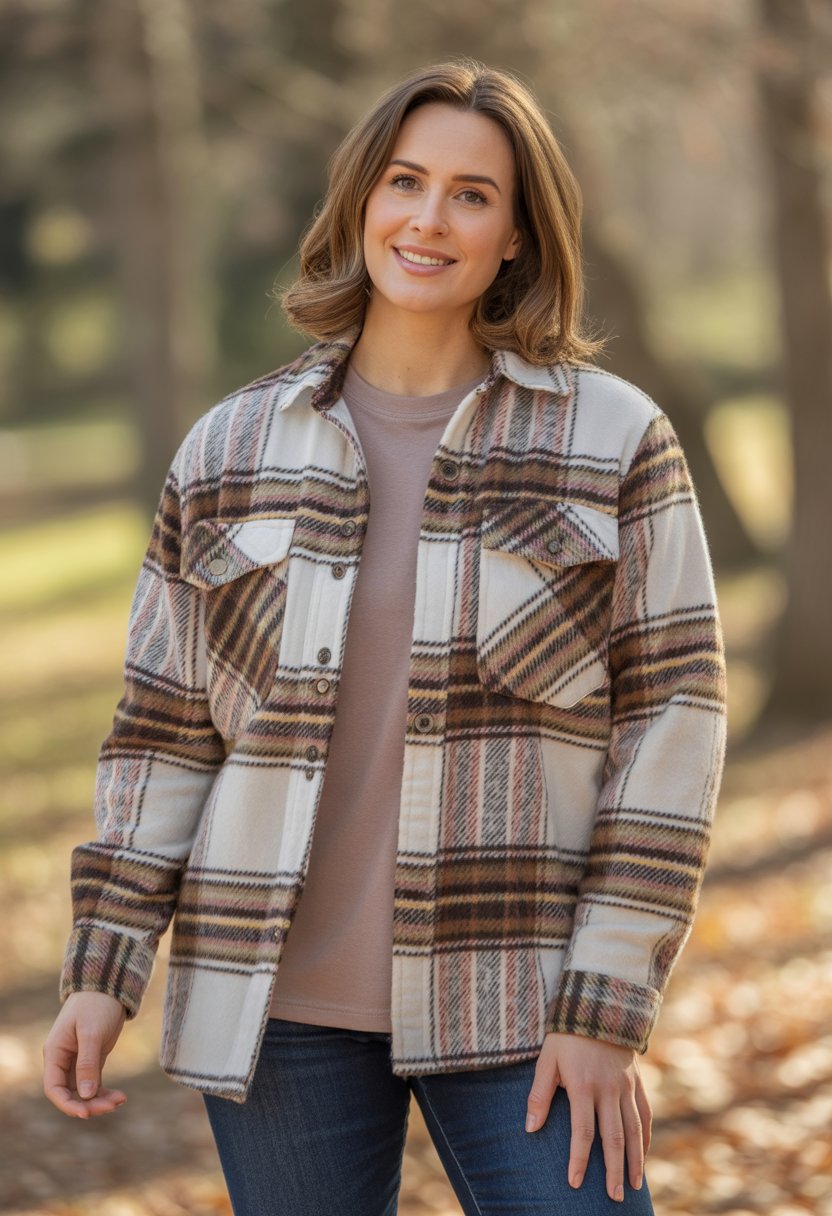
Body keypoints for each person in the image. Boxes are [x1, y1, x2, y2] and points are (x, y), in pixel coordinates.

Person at [43, 59, 727, 1215]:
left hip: (519, 998)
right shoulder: (228, 450)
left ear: (516, 233)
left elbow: (673, 722)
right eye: (405, 181)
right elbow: (161, 732)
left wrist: (605, 1006)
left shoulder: (613, 439)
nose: (427, 218)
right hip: (277, 1015)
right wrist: (104, 968)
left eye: (472, 193)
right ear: (360, 200)